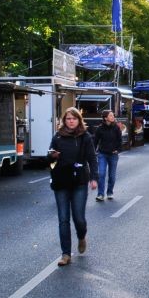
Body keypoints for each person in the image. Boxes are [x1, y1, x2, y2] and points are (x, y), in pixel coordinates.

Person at [48, 108, 98, 266]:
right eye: (68, 119)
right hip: (61, 181)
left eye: (74, 119)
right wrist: (51, 156)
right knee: (63, 219)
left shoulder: (85, 137)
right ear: (64, 120)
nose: (71, 121)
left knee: (79, 218)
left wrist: (94, 178)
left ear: (78, 120)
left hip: (79, 181)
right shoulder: (57, 137)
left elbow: (92, 158)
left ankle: (82, 236)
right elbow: (48, 157)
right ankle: (65, 254)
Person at [93, 109, 122, 202]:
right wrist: (93, 152)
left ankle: (110, 192)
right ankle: (100, 194)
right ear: (105, 118)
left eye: (113, 115)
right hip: (102, 154)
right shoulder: (99, 129)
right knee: (101, 174)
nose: (113, 117)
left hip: (113, 155)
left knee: (112, 176)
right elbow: (95, 141)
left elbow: (120, 141)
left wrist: (117, 150)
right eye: (110, 115)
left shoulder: (116, 128)